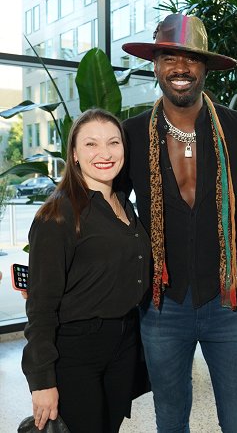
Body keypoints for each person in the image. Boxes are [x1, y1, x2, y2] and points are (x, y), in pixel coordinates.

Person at [121, 13, 237, 432]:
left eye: (190, 59)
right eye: (169, 57)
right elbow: (102, 201)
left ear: (205, 66)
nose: (180, 68)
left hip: (229, 301)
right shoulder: (131, 135)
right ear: (156, 65)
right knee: (170, 418)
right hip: (161, 304)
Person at [21, 109, 150, 432]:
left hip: (123, 344)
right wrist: (42, 382)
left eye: (113, 143)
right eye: (91, 144)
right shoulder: (58, 215)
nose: (104, 154)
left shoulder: (123, 203)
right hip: (76, 350)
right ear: (75, 154)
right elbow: (40, 308)